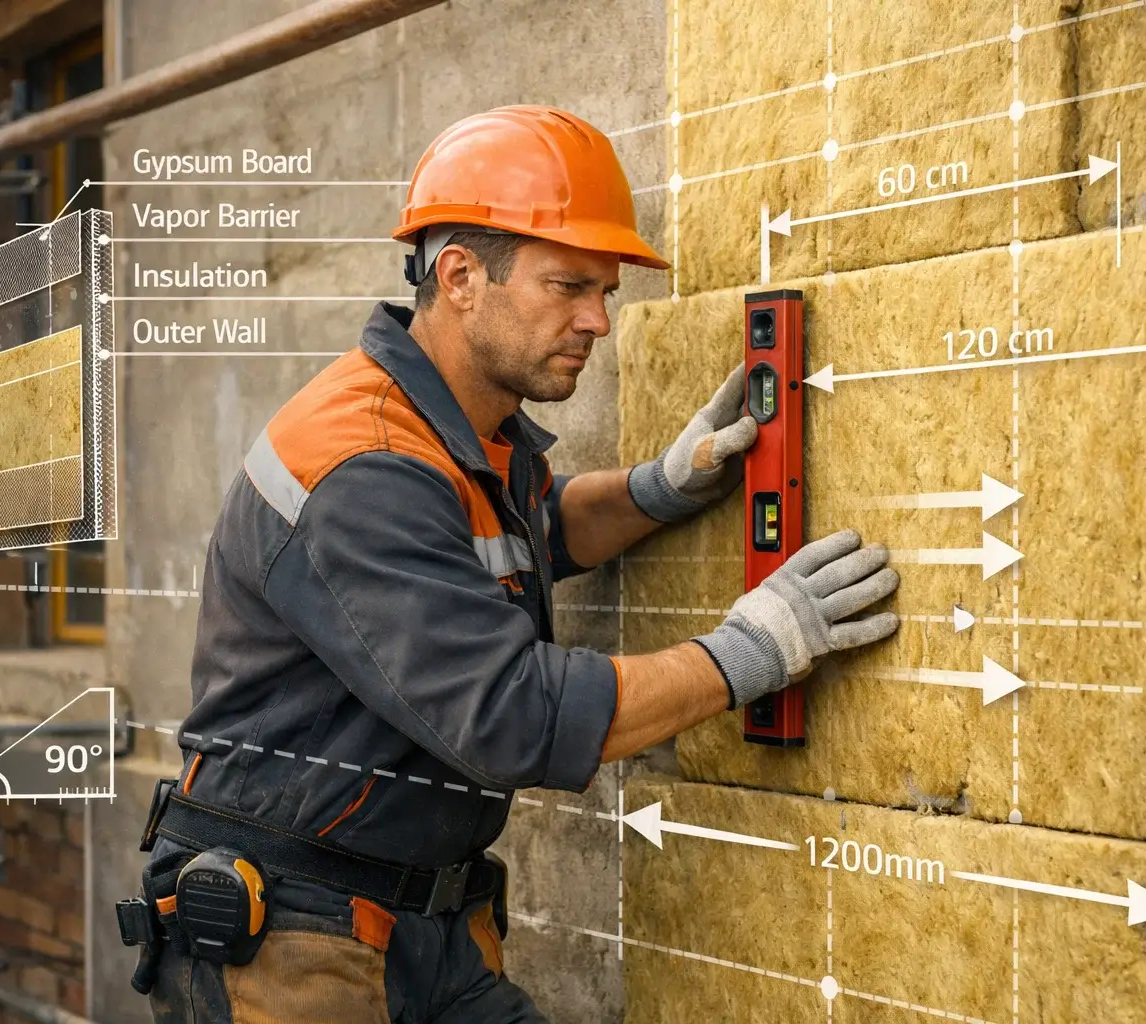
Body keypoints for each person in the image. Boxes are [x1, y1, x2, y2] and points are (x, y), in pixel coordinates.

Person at [119, 105, 899, 1023]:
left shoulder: (457, 432)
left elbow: (523, 536)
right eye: (569, 286)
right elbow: (511, 715)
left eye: (605, 292)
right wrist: (749, 652)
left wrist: (657, 490)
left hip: (421, 928)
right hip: (294, 941)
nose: (599, 321)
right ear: (459, 276)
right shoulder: (362, 464)